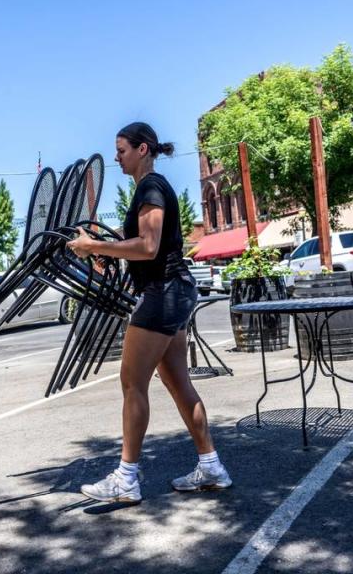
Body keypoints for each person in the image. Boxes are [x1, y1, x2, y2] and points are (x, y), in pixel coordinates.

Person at [66, 122, 231, 503]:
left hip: (164, 294)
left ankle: (126, 479)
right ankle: (211, 466)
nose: (116, 157)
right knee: (177, 383)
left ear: (142, 149)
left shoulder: (151, 186)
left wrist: (96, 248)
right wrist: (103, 249)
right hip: (173, 292)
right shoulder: (149, 189)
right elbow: (141, 246)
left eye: (121, 150)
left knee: (131, 383)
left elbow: (149, 246)